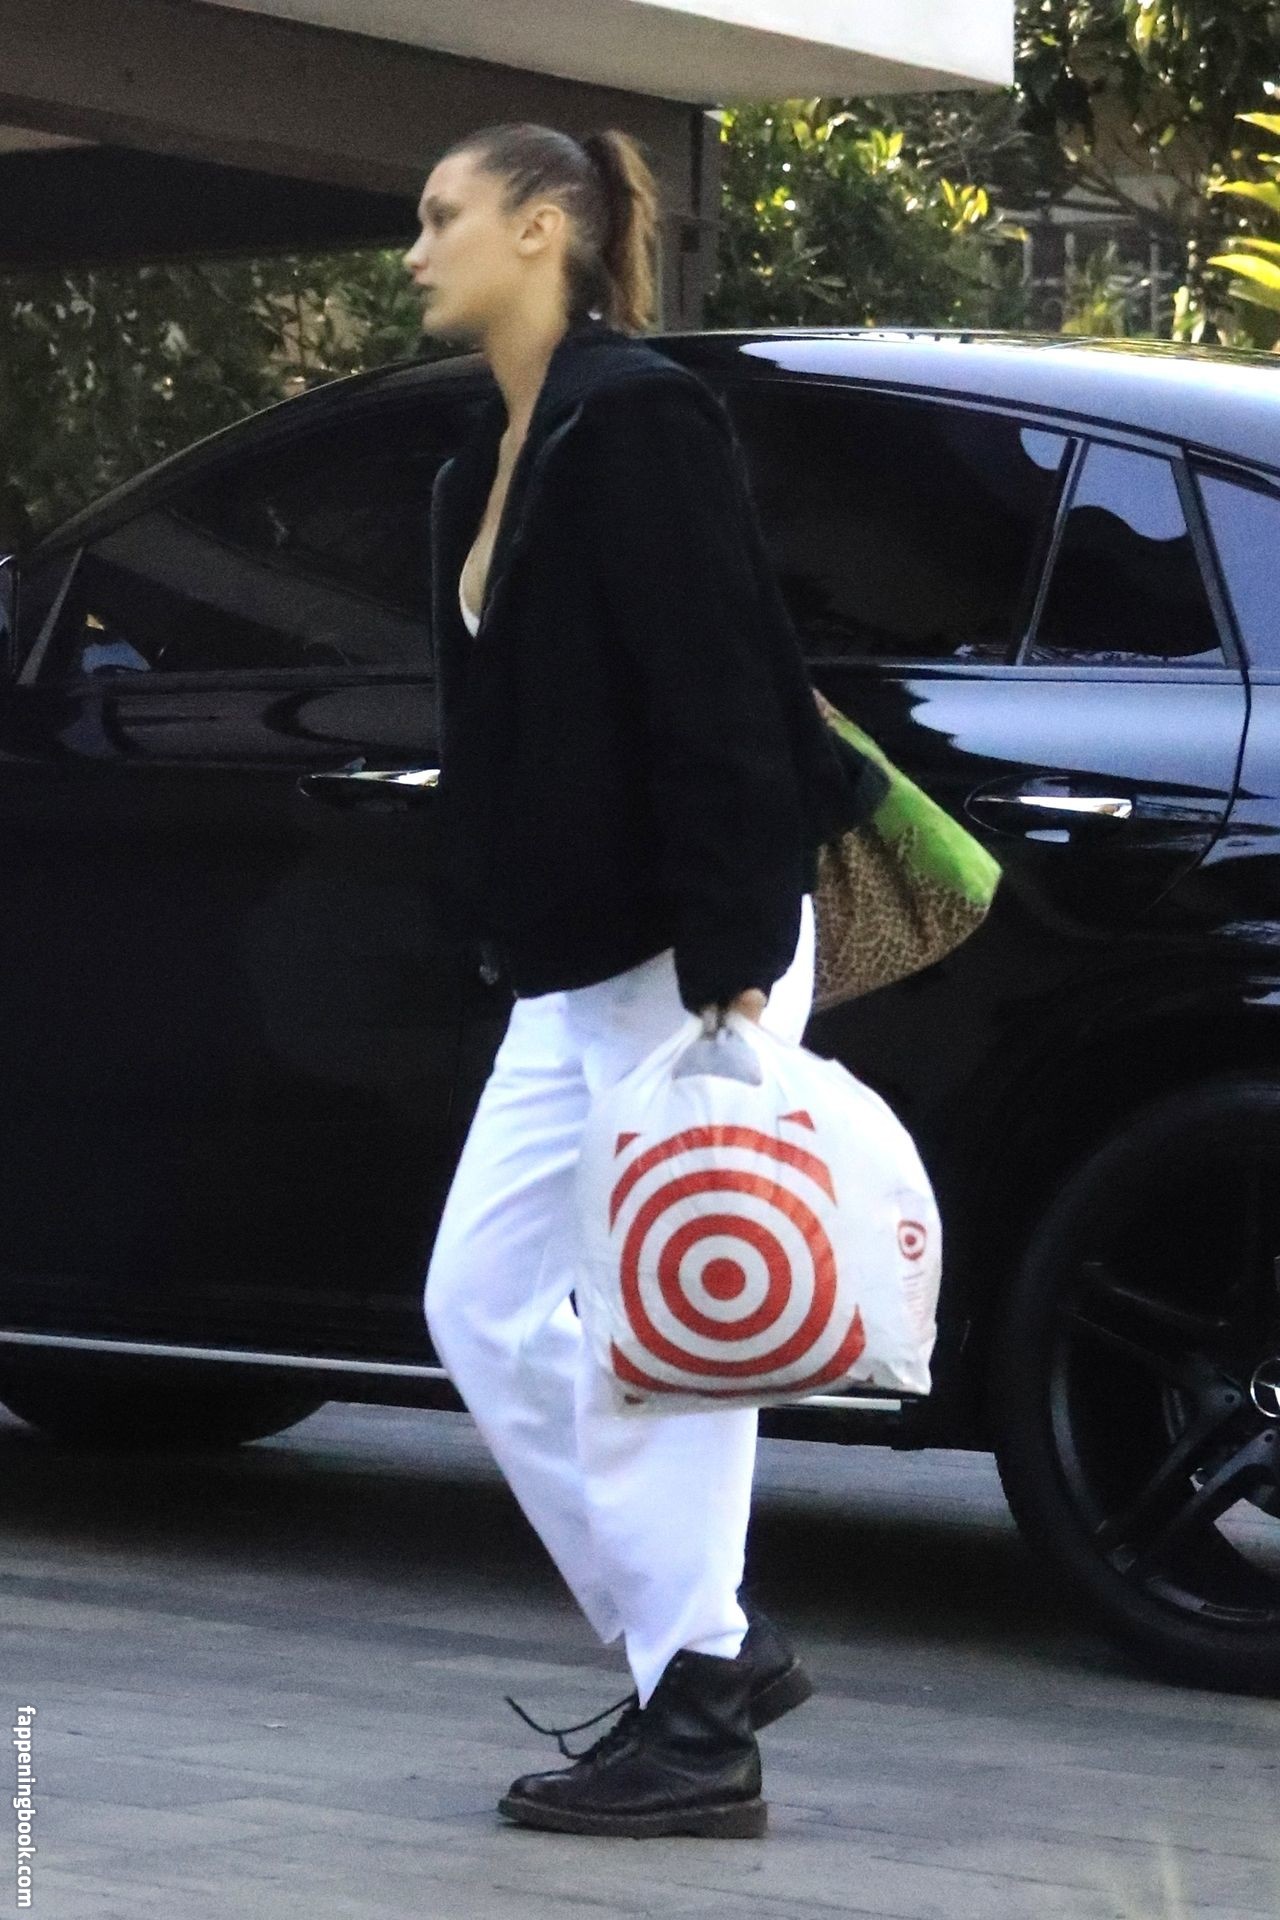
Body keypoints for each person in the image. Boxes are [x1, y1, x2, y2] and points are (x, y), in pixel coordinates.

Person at [402, 120, 885, 1840]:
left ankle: (696, 1718)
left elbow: (719, 681)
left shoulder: (639, 419)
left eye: (443, 216)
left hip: (694, 952)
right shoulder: (486, 460)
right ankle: (707, 1653)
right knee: (479, 1303)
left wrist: (741, 954)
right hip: (575, 966)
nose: (416, 250)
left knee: (668, 1335)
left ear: (546, 228)